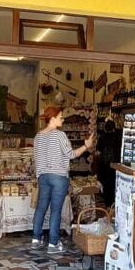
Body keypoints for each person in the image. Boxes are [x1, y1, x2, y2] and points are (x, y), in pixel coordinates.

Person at [32, 106, 94, 254]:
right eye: (61, 117)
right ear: (52, 119)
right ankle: (53, 244)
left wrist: (39, 175)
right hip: (59, 177)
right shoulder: (59, 135)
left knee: (41, 208)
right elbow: (71, 154)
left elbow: (36, 159)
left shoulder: (38, 136)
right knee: (55, 210)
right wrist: (86, 146)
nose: (63, 119)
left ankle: (36, 239)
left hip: (43, 176)